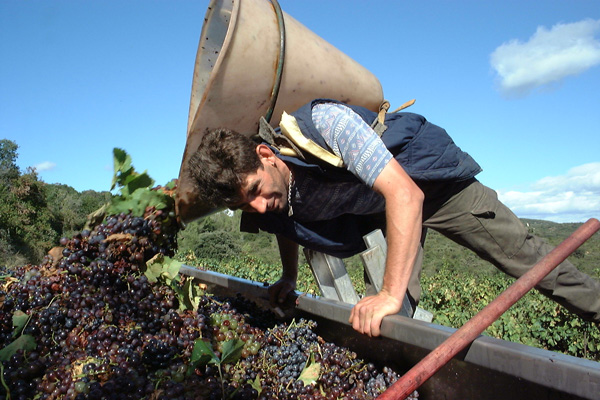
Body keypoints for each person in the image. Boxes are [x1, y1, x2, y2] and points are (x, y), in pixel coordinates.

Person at [188, 98, 600, 337]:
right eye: (245, 206)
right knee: (387, 319)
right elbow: (286, 222)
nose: (258, 207)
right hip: (386, 212)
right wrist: (289, 276)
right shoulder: (269, 197)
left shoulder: (326, 125)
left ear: (265, 155)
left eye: (257, 193)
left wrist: (388, 291)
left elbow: (406, 193)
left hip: (433, 188)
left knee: (531, 262)